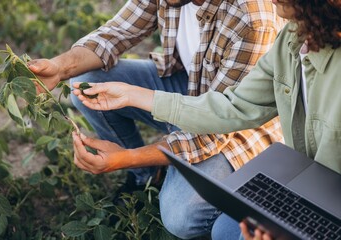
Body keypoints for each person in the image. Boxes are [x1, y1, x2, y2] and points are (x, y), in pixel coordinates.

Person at [72, 0, 341, 239]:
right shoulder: (292, 37)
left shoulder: (256, 19)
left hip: (328, 200)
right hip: (311, 185)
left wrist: (128, 156)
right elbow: (234, 105)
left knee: (186, 217)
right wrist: (133, 95)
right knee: (224, 230)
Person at [29, 0, 286, 238]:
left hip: (242, 124)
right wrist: (59, 67)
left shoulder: (252, 18)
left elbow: (218, 124)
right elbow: (116, 33)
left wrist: (126, 157)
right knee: (88, 83)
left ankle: (245, 205)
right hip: (192, 82)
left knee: (180, 216)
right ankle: (146, 177)